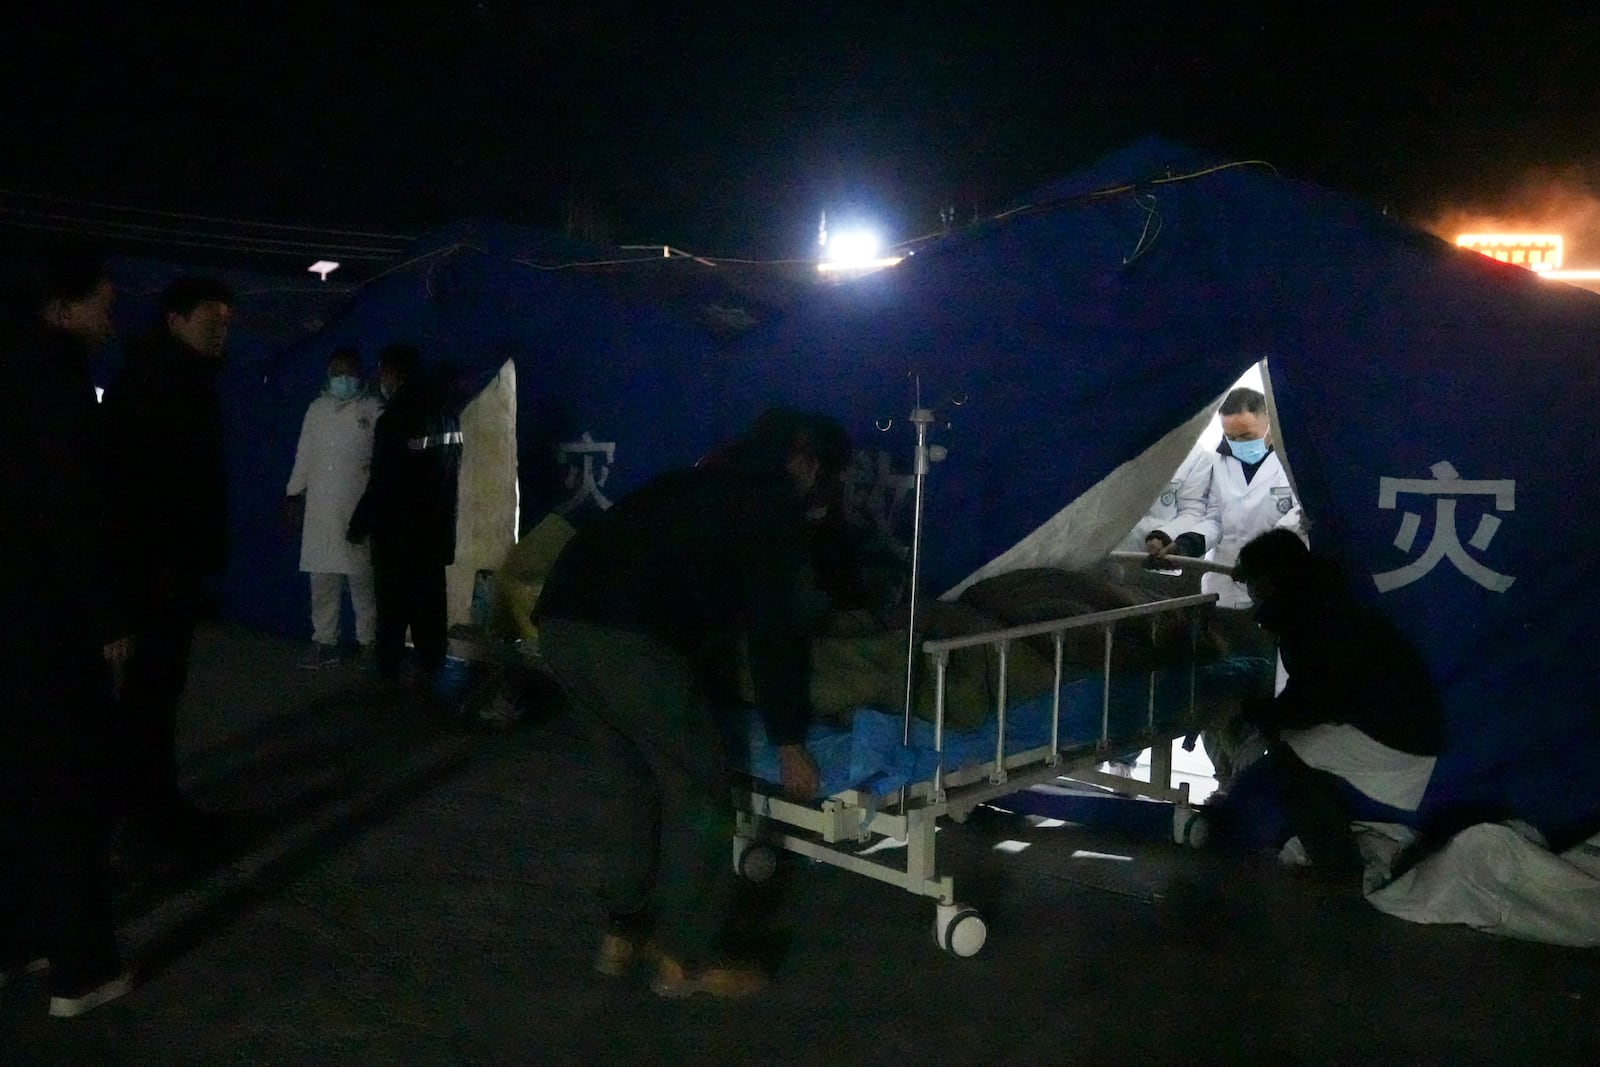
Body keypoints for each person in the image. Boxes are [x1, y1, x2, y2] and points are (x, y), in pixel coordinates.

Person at [535, 409, 848, 1000]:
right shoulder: (768, 507)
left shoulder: (694, 484)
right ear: (803, 462)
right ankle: (688, 957)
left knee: (634, 779)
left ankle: (622, 934)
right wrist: (788, 740)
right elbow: (771, 632)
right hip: (626, 640)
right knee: (700, 788)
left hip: (561, 625)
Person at [0, 253, 135, 1016]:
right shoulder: (53, 381)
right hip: (46, 621)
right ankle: (82, 970)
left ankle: (16, 940)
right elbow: (72, 510)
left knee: (12, 784)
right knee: (69, 791)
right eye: (100, 304)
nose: (109, 319)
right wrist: (106, 615)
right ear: (60, 308)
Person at [1229, 528, 1444, 886]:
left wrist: (1258, 714)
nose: (1252, 594)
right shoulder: (1322, 604)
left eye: (1254, 583)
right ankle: (1335, 861)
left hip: (1398, 737)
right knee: (1299, 751)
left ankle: (1338, 873)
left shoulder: (1310, 619)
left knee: (1292, 761)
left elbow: (1314, 700)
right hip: (1404, 727)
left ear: (1271, 580)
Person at [101, 275, 233, 849]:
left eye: (227, 321)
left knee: (154, 688)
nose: (221, 330)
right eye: (210, 320)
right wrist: (163, 565)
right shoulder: (161, 383)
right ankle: (151, 807)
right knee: (151, 689)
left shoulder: (181, 378)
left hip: (167, 565)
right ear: (176, 320)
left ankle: (143, 797)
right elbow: (147, 485)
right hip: (157, 569)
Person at [1188, 386, 1302, 788]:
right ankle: (1225, 774)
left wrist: (1264, 556)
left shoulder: (1294, 463)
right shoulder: (1217, 464)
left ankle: (1258, 779)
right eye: (1232, 438)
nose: (1239, 445)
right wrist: (1188, 541)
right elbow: (1212, 517)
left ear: (1269, 426)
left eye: (1248, 437)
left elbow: (1301, 519)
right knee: (1218, 688)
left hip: (1274, 596)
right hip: (1221, 588)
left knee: (1266, 693)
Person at [347, 343, 462, 688]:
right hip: (436, 528)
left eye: (383, 370)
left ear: (395, 372)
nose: (381, 378)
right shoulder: (447, 413)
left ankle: (388, 673)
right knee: (430, 603)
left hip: (399, 532)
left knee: (393, 608)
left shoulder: (395, 418)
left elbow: (384, 479)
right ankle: (432, 667)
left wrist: (359, 523)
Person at [284, 347, 383, 668]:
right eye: (337, 373)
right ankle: (325, 641)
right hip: (320, 511)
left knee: (362, 582)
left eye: (349, 373)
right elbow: (304, 455)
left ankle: (370, 642)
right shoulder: (317, 410)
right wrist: (293, 494)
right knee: (322, 580)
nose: (343, 380)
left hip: (359, 509)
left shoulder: (372, 410)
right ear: (328, 375)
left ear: (360, 374)